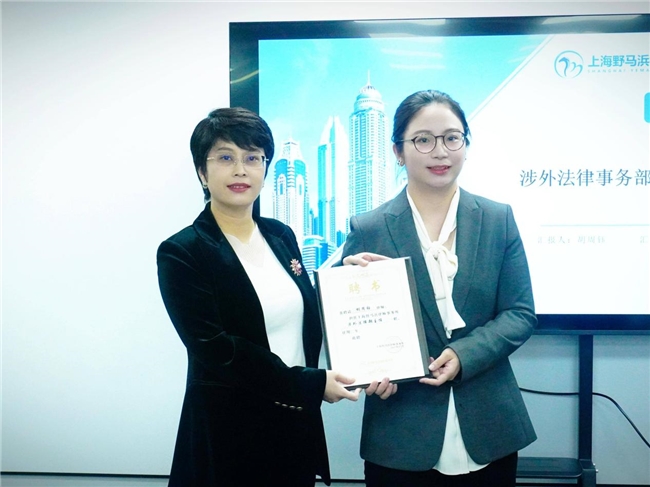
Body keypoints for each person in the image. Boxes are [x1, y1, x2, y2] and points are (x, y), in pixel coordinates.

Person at [341, 90, 537, 487]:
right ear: (398, 151)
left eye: (452, 137)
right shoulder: (369, 228)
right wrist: (366, 368)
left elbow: (520, 313)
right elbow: (351, 331)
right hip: (400, 432)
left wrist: (464, 354)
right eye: (423, 140)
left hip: (490, 426)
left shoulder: (497, 219)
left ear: (465, 144)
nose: (440, 151)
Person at [157, 107, 360, 487]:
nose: (241, 170)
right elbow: (217, 349)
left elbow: (300, 309)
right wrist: (311, 383)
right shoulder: (182, 251)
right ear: (202, 172)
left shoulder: (281, 235)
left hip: (294, 426)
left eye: (253, 158)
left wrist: (350, 280)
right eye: (225, 158)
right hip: (230, 435)